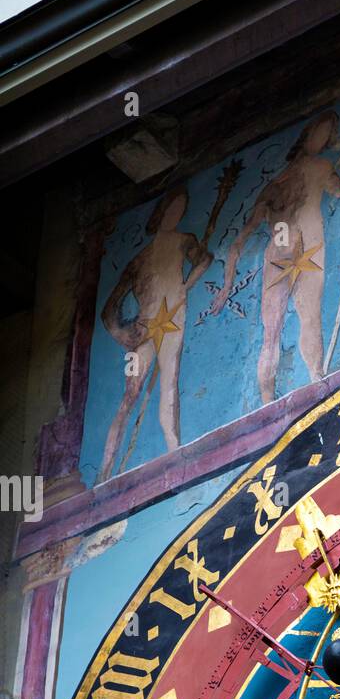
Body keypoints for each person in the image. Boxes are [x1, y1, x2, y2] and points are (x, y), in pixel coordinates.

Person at [210, 111, 340, 398]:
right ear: (307, 135)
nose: (322, 137)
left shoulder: (317, 168)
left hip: (310, 247)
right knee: (272, 330)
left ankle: (317, 382)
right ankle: (268, 400)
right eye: (319, 131)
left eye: (326, 132)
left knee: (310, 317)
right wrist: (226, 286)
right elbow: (239, 240)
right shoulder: (279, 183)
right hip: (285, 251)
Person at [99, 186, 210, 480]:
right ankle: (105, 471)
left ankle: (174, 452)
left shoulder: (184, 240)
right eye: (172, 208)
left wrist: (184, 287)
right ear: (161, 213)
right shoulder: (140, 259)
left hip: (173, 321)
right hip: (144, 329)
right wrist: (120, 333)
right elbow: (110, 308)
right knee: (129, 397)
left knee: (169, 383)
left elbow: (204, 260)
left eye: (181, 209)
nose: (177, 214)